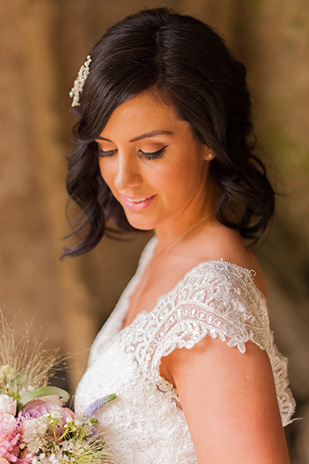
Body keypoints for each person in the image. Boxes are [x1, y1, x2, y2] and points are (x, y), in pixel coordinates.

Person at [65, 7, 295, 463]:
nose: (122, 178)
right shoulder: (164, 247)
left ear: (210, 138)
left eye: (151, 151)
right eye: (107, 150)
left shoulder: (209, 304)